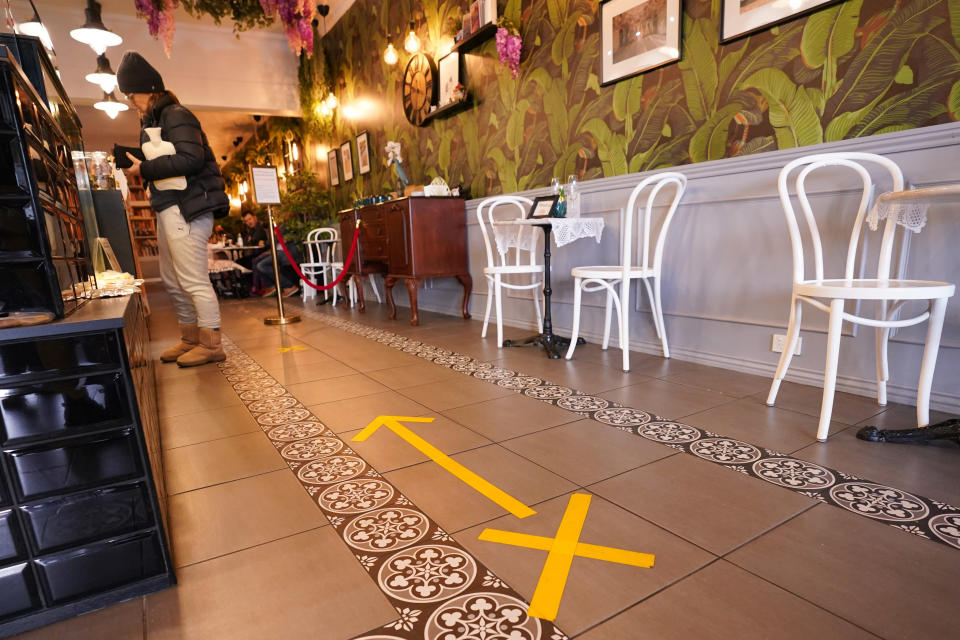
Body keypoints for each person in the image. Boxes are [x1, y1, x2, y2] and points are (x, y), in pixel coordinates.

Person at [117, 51, 230, 367]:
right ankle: (190, 338)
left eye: (131, 94)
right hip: (170, 206)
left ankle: (211, 344)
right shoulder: (156, 121)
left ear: (149, 89)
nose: (130, 101)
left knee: (192, 279)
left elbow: (191, 159)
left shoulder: (176, 115)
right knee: (173, 279)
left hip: (188, 207)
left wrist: (146, 169)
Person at [254, 223, 300, 298]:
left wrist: (266, 243)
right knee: (256, 261)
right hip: (277, 251)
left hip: (285, 252)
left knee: (261, 265)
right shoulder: (281, 225)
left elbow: (274, 239)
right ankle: (270, 286)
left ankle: (288, 286)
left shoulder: (287, 225)